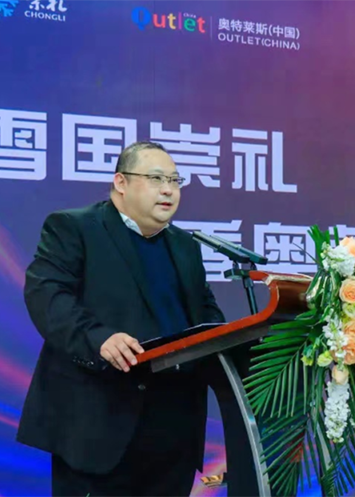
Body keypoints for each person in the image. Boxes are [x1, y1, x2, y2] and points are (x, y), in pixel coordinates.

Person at [16, 141, 226, 497]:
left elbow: (205, 311)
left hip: (173, 428)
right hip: (98, 423)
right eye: (156, 178)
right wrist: (99, 338)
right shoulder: (75, 227)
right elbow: (48, 296)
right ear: (121, 182)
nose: (168, 190)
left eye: (175, 181)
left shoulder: (185, 246)